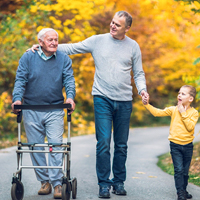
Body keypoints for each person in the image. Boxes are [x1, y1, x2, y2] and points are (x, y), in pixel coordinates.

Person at [30, 11, 148, 198]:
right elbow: (72, 48)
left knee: (121, 145)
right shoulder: (97, 40)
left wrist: (142, 90)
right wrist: (45, 45)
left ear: (127, 28)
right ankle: (103, 184)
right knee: (102, 143)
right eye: (112, 22)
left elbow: (139, 73)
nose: (112, 26)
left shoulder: (133, 46)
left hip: (125, 100)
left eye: (117, 24)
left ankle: (118, 182)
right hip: (102, 98)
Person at [12, 28, 76, 199]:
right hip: (31, 108)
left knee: (55, 145)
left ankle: (56, 184)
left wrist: (70, 97)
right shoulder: (28, 57)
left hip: (55, 108)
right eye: (50, 40)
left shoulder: (64, 59)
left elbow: (69, 80)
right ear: (40, 42)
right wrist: (17, 99)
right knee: (35, 147)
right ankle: (44, 182)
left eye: (56, 39)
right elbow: (20, 79)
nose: (54, 42)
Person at [142, 85, 199, 200]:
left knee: (185, 171)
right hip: (175, 145)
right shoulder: (173, 110)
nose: (179, 95)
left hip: (188, 146)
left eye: (183, 94)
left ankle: (184, 189)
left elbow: (189, 127)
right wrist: (147, 104)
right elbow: (158, 113)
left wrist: (183, 112)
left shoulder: (194, 113)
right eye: (179, 93)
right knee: (178, 169)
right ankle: (180, 193)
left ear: (190, 99)